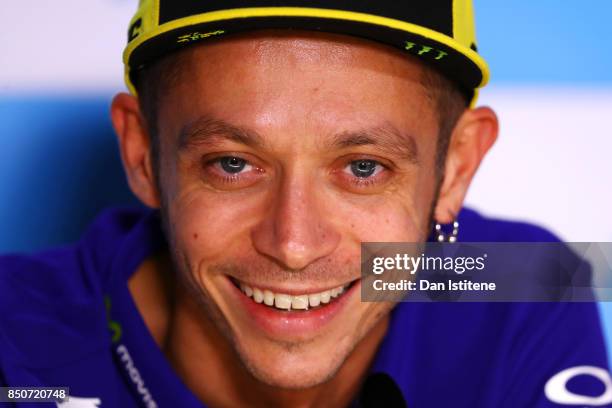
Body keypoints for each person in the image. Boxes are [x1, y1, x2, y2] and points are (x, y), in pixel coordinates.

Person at [0, 2, 608, 407]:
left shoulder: (531, 282)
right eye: (232, 164)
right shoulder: (14, 338)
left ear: (456, 169)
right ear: (141, 155)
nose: (293, 244)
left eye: (364, 168)